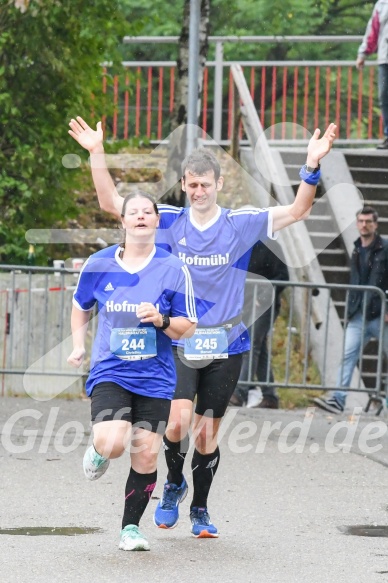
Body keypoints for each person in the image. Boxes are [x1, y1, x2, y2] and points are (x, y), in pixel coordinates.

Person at [68, 116, 336, 538]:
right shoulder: (170, 221)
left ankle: (201, 508)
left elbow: (299, 209)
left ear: (218, 184)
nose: (198, 191)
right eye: (191, 185)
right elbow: (111, 203)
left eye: (204, 184)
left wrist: (311, 166)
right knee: (175, 423)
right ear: (184, 185)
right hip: (179, 339)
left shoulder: (240, 223)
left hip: (226, 342)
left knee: (207, 434)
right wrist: (96, 154)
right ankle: (173, 483)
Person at [67, 191, 197, 551]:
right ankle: (97, 450)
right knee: (112, 443)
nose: (140, 217)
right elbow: (80, 306)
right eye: (133, 212)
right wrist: (79, 345)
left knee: (144, 454)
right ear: (122, 222)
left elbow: (188, 327)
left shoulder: (174, 268)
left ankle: (130, 529)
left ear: (157, 221)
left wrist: (162, 319)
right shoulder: (99, 263)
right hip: (112, 370)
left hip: (155, 377)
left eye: (147, 212)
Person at [314, 205, 388, 414]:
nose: (364, 225)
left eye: (368, 222)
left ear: (376, 224)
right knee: (347, 356)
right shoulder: (357, 248)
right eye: (361, 221)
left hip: (381, 314)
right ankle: (338, 399)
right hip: (358, 314)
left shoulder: (385, 247)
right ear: (357, 224)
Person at [229, 237, 289, 409]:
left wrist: (263, 296)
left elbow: (283, 276)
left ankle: (240, 392)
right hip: (246, 304)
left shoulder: (271, 246)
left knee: (251, 344)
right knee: (259, 348)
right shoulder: (239, 247)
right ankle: (270, 396)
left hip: (265, 304)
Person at [356, 0, 388, 149]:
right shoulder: (382, 4)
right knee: (384, 96)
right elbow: (373, 31)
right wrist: (363, 53)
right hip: (385, 58)